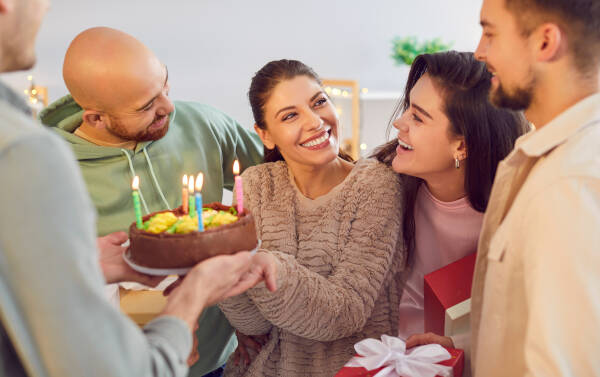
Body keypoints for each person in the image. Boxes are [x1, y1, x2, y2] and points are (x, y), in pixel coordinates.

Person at [0, 1, 277, 376]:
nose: (169, 107)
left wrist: (252, 317)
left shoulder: (204, 124)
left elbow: (283, 185)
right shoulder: (38, 163)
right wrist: (189, 301)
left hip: (217, 359)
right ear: (94, 117)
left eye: (165, 83)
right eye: (147, 106)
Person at [407, 0, 600, 375]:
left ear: (544, 42)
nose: (480, 51)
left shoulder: (571, 183)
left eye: (491, 33)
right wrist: (465, 347)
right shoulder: (546, 159)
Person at [217, 59, 406, 377]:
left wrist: (267, 267)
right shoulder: (257, 185)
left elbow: (345, 313)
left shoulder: (376, 183)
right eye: (290, 115)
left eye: (319, 102)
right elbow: (254, 324)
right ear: (265, 135)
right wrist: (226, 271)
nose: (316, 121)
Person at [372, 51, 528, 342]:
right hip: (382, 351)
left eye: (418, 117)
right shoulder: (379, 186)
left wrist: (461, 349)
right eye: (408, 107)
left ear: (462, 146)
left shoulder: (516, 215)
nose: (399, 123)